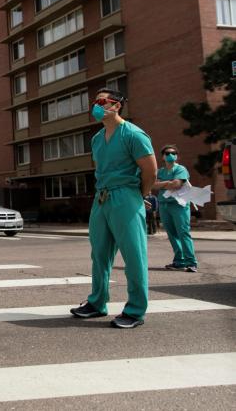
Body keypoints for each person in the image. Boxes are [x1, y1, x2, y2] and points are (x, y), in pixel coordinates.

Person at [70, 89, 156, 329]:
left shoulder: (134, 134)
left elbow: (150, 171)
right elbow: (101, 170)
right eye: (95, 102)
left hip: (126, 195)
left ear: (116, 105)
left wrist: (138, 196)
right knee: (99, 254)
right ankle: (97, 303)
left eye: (101, 101)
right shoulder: (97, 139)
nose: (96, 106)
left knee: (133, 254)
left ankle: (135, 310)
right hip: (102, 198)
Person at [154, 144, 198, 272]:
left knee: (183, 233)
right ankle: (179, 261)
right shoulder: (160, 171)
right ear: (163, 156)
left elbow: (177, 184)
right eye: (167, 153)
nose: (170, 155)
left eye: (173, 153)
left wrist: (162, 184)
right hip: (164, 205)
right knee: (172, 234)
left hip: (179, 205)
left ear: (177, 156)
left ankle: (191, 262)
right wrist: (168, 184)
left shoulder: (181, 169)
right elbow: (152, 185)